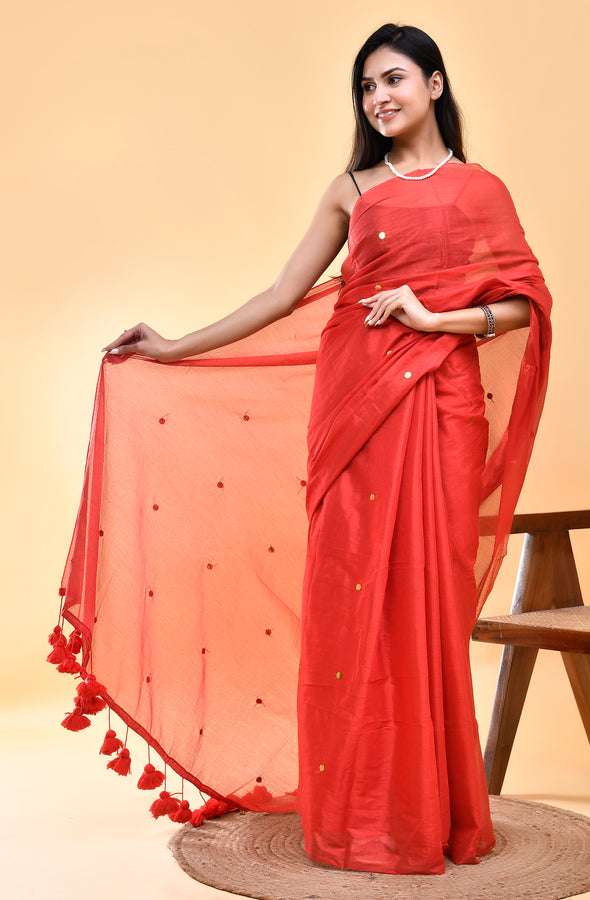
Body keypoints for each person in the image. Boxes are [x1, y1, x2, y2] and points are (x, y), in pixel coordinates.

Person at [59, 23, 551, 877]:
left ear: (435, 84)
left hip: (442, 405)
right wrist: (173, 348)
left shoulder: (482, 191)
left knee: (428, 601)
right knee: (350, 599)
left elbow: (523, 304)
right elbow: (283, 294)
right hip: (355, 407)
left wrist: (436, 318)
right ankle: (358, 814)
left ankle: (429, 812)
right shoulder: (352, 190)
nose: (379, 98)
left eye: (394, 79)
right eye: (367, 87)